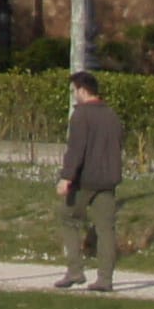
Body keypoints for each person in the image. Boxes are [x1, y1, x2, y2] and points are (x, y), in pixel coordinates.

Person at [55, 70, 125, 291]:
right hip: (108, 180)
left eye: (75, 90)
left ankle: (75, 270)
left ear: (82, 90)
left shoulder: (81, 115)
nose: (74, 94)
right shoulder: (112, 115)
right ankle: (105, 279)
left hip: (85, 179)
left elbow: (76, 149)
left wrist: (66, 177)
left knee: (68, 217)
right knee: (106, 229)